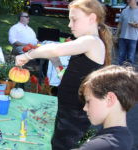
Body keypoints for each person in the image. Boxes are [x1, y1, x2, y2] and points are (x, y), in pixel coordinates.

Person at [15, 0, 113, 149]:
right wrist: (56, 63)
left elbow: (55, 48)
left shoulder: (92, 41)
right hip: (68, 108)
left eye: (74, 19)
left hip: (75, 112)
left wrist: (28, 55)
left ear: (92, 18)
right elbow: (67, 77)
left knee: (61, 146)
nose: (69, 25)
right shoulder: (85, 44)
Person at [78, 65, 138, 150]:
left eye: (88, 101)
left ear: (109, 99)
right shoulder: (125, 136)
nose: (85, 108)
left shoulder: (100, 146)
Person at [115, 0, 138, 65]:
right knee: (121, 56)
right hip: (122, 37)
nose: (128, 1)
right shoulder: (124, 11)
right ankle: (121, 72)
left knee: (130, 57)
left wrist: (136, 26)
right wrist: (116, 35)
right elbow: (120, 24)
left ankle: (128, 72)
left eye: (130, 0)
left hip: (133, 38)